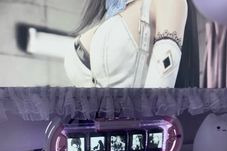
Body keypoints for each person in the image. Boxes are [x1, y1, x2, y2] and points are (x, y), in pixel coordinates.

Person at [64, 0, 199, 88]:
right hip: (84, 130)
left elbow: (158, 97)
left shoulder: (167, 3)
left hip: (130, 129)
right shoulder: (107, 12)